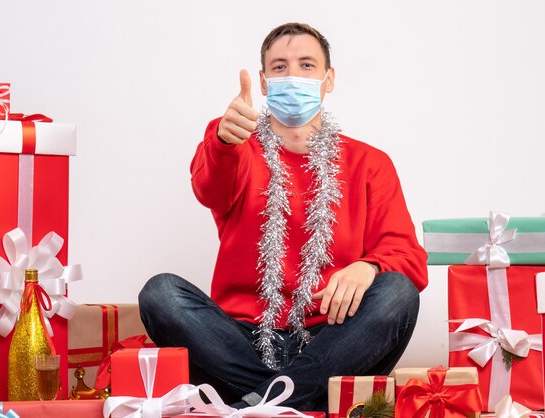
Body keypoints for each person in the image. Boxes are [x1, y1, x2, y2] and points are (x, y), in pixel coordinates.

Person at [139, 22, 428, 412]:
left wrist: (370, 267)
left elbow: (409, 257)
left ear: (329, 80)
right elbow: (209, 188)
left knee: (397, 292)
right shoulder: (234, 141)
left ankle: (257, 403)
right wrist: (224, 142)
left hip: (334, 338)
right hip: (241, 340)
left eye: (307, 65)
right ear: (262, 81)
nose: (292, 75)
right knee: (161, 293)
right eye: (279, 67)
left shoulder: (369, 163)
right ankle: (290, 398)